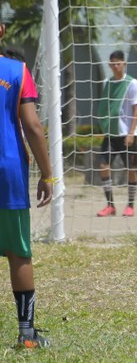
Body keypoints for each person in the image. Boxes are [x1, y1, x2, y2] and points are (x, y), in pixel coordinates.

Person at [0, 25, 54, 349]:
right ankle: (27, 335)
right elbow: (32, 126)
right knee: (19, 254)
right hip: (7, 172)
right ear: (2, 30)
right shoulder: (16, 70)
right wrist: (48, 175)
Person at [95, 50, 137, 217]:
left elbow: (136, 107)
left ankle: (130, 205)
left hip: (126, 135)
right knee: (103, 166)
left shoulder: (132, 83)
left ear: (124, 64)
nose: (116, 66)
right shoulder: (107, 83)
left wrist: (131, 133)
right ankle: (110, 205)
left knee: (131, 168)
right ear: (109, 65)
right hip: (111, 134)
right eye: (113, 63)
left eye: (119, 63)